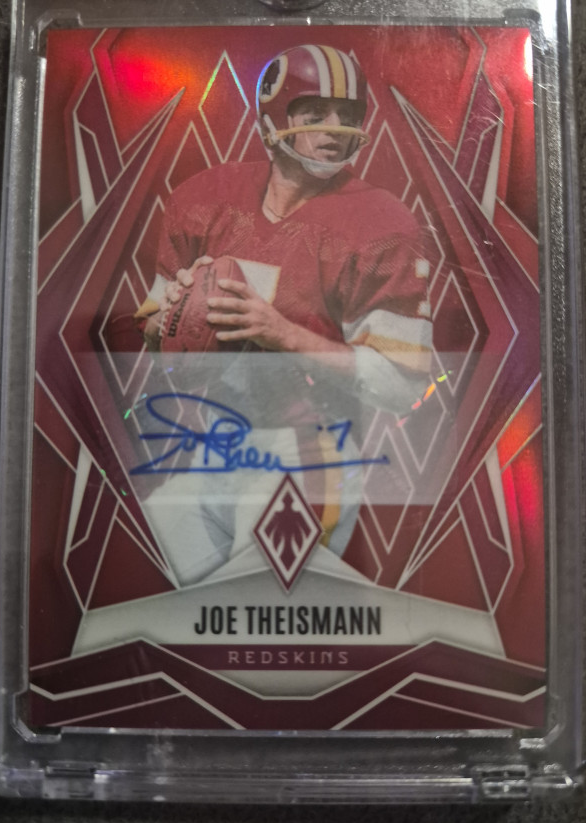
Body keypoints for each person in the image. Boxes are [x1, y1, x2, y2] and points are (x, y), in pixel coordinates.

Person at [133, 45, 433, 586]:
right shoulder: (206, 198)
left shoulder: (381, 223)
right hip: (216, 448)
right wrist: (174, 314)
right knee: (167, 577)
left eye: (347, 115)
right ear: (272, 120)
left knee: (263, 611)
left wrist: (282, 333)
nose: (334, 129)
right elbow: (157, 340)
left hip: (309, 456)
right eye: (314, 112)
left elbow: (404, 386)